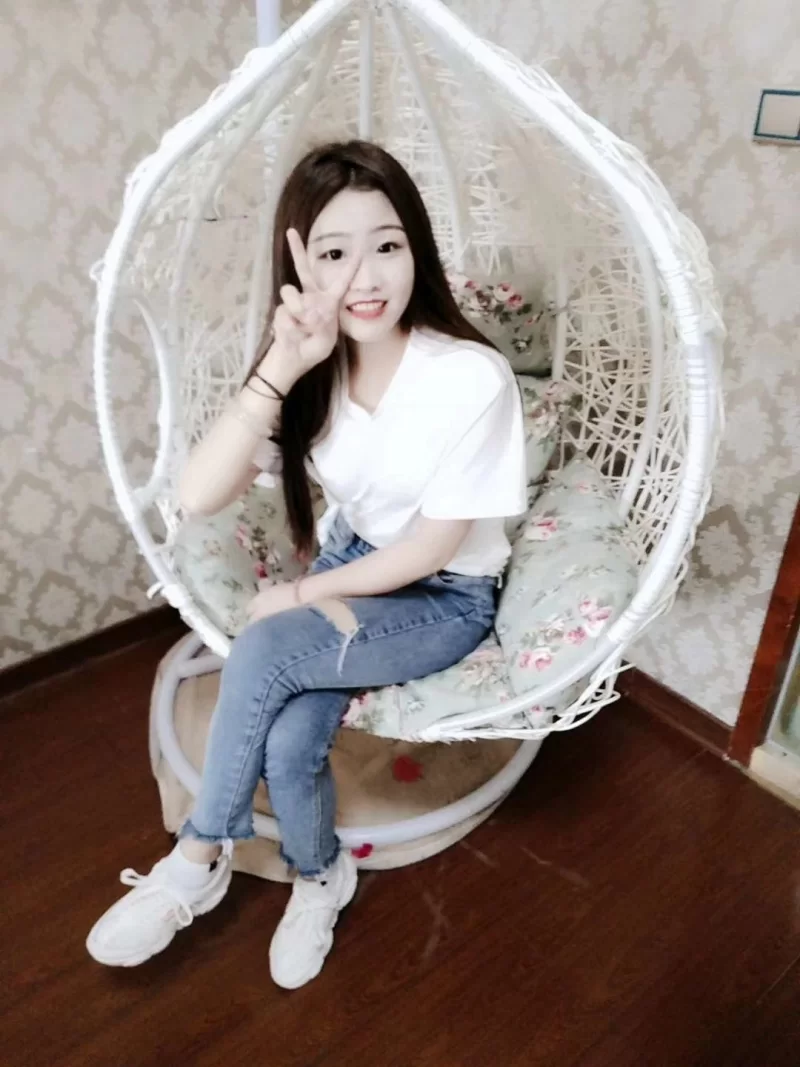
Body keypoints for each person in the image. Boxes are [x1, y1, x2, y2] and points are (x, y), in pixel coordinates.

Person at [86, 140, 526, 989]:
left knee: (263, 646)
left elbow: (432, 549)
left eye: (387, 244)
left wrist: (302, 590)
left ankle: (196, 857)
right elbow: (198, 492)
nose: (364, 276)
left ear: (417, 249)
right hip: (361, 564)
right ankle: (321, 876)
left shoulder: (470, 377)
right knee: (290, 743)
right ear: (299, 265)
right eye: (332, 253)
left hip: (444, 596)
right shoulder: (314, 370)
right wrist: (285, 362)